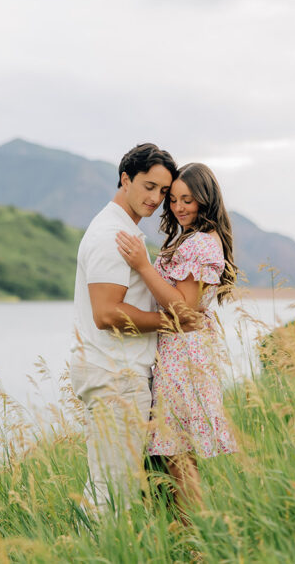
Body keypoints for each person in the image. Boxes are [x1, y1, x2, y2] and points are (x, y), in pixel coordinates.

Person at [115, 162, 239, 515]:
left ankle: (195, 542)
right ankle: (187, 536)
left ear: (206, 200)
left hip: (184, 355)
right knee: (177, 456)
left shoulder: (200, 243)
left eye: (188, 199)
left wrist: (143, 266)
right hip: (183, 351)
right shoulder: (194, 238)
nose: (178, 207)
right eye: (173, 199)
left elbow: (183, 311)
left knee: (179, 457)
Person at [68, 143, 179, 515]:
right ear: (125, 178)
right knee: (111, 490)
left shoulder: (122, 230)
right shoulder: (109, 235)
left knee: (114, 484)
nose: (156, 199)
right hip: (115, 373)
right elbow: (107, 313)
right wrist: (172, 321)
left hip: (119, 371)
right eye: (149, 186)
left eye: (163, 192)